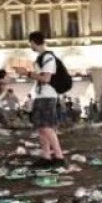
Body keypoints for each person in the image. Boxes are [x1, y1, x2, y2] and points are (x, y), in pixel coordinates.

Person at [16, 32, 66, 168]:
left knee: (47, 127)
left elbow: (46, 78)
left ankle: (59, 156)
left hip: (48, 95)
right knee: (41, 127)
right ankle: (46, 156)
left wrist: (26, 73)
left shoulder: (48, 57)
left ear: (33, 42)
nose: (30, 46)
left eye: (30, 43)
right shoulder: (41, 58)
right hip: (41, 95)